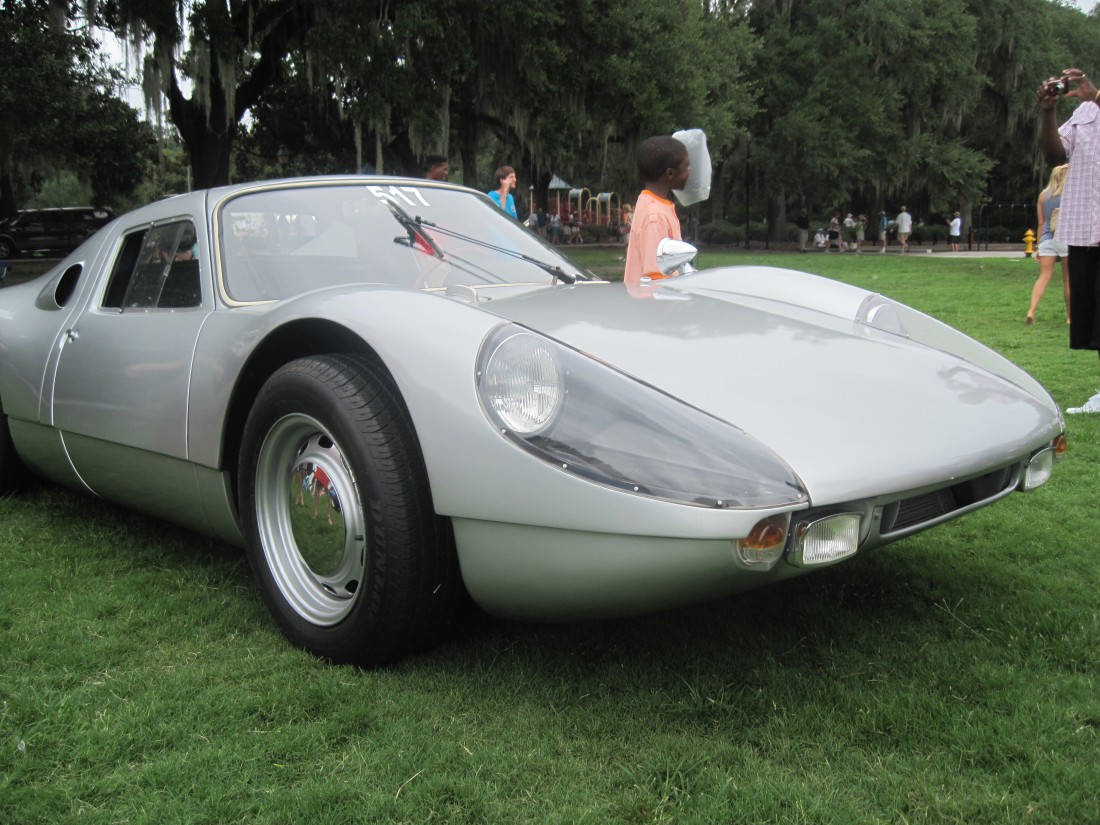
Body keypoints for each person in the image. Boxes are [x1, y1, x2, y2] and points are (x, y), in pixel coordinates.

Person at [1038, 67, 1100, 413]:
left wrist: (1097, 97)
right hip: (1085, 231)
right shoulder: (1084, 113)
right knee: (1093, 318)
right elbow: (1055, 156)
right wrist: (1049, 112)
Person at [623, 135, 690, 292]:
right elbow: (656, 278)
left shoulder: (652, 204)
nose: (690, 170)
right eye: (686, 166)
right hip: (654, 303)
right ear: (670, 173)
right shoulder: (655, 217)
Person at [1028, 165, 1071, 326]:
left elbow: (1041, 223)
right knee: (1068, 280)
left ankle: (1031, 311)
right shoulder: (1070, 194)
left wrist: (1038, 246)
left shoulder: (1043, 195)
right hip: (1066, 238)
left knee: (1044, 276)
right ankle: (1069, 317)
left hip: (1047, 239)